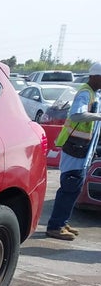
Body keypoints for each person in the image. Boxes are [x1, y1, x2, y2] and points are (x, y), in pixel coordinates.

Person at [46, 62, 101, 240]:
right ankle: (55, 226)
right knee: (69, 188)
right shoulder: (86, 93)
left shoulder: (93, 94)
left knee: (74, 188)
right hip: (75, 148)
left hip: (82, 150)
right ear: (95, 77)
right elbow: (76, 115)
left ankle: (62, 222)